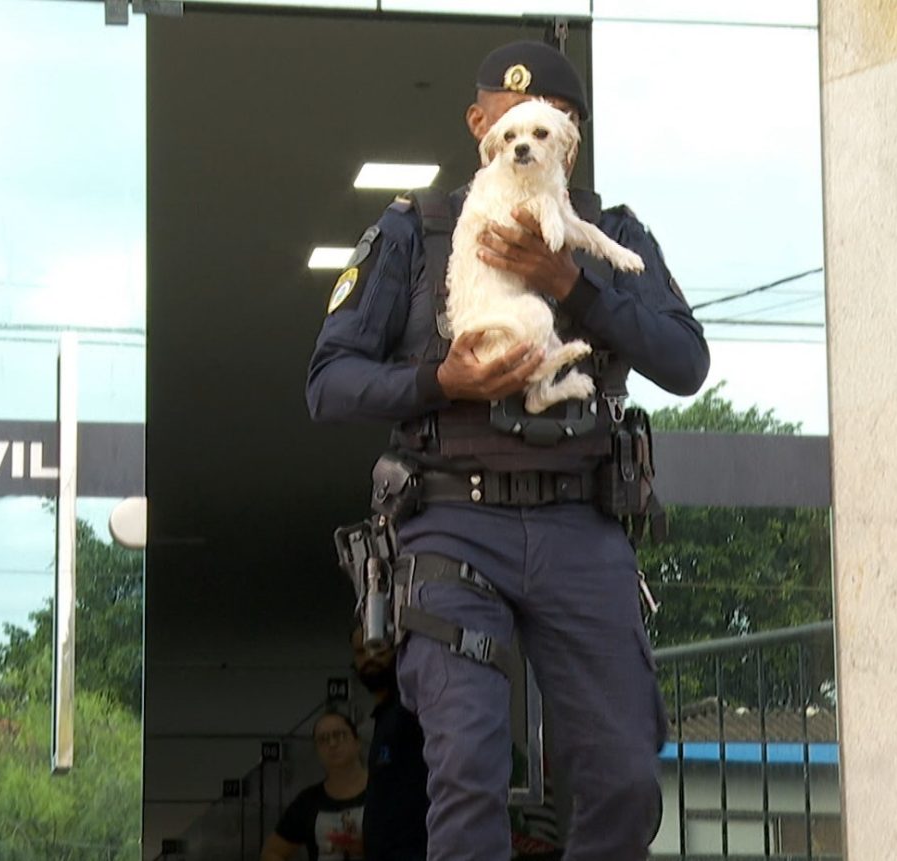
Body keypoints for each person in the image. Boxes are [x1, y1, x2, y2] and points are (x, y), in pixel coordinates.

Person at [307, 39, 708, 861]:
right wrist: (439, 378)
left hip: (581, 524)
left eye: (551, 118)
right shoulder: (413, 232)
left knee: (625, 777)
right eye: (504, 113)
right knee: (467, 768)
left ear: (572, 135)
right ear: (479, 123)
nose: (525, 130)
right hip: (451, 523)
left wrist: (572, 284)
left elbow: (684, 361)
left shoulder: (611, 232)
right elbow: (329, 383)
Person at [351, 627, 430, 861]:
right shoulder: (384, 716)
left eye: (377, 647)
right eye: (360, 652)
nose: (369, 658)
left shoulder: (413, 707)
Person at [261, 711, 368, 861]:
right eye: (323, 739)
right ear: (317, 751)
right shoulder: (308, 801)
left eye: (340, 735)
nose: (332, 744)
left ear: (357, 742)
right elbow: (271, 852)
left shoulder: (386, 791)